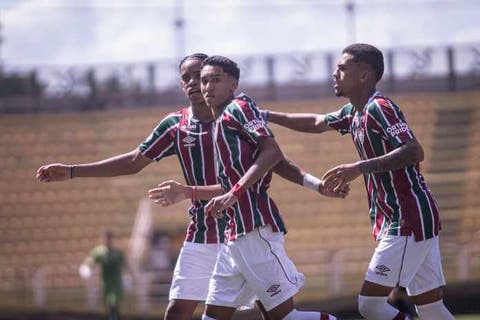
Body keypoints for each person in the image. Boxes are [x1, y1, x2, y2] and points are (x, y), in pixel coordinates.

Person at [36, 53, 342, 320]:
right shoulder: (177, 125)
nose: (198, 83)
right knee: (180, 311)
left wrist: (192, 191)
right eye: (189, 78)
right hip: (207, 231)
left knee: (276, 313)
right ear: (183, 85)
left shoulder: (238, 112)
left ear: (223, 80)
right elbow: (133, 161)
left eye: (204, 76)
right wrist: (73, 170)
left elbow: (270, 158)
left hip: (247, 225)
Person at [262, 43, 455, 320]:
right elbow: (316, 122)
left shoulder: (380, 107)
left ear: (363, 75)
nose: (334, 74)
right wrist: (266, 115)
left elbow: (414, 150)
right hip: (404, 216)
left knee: (370, 304)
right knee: (430, 307)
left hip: (408, 217)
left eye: (342, 68)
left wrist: (358, 167)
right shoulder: (354, 112)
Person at [173, 55, 338, 320]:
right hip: (233, 237)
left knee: (285, 317)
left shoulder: (239, 107)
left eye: (215, 80)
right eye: (204, 81)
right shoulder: (219, 120)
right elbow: (275, 160)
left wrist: (232, 193)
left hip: (254, 231)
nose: (207, 87)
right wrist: (316, 185)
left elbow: (271, 152)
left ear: (233, 83)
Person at [79, 230, 126, 320]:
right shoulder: (100, 252)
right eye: (106, 239)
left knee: (113, 305)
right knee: (110, 307)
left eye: (110, 239)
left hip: (116, 285)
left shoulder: (118, 253)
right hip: (106, 285)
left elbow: (123, 267)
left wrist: (127, 279)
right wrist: (85, 268)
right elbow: (90, 261)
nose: (108, 241)